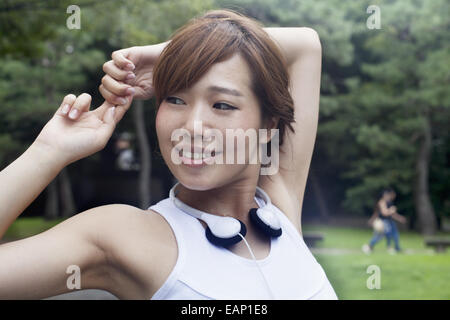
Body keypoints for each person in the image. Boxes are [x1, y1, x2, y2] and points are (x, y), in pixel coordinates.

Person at [0, 9, 336, 299]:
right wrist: (47, 153)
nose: (192, 125)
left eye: (222, 104)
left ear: (269, 123)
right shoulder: (126, 236)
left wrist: (168, 54)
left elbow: (306, 44)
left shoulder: (279, 208)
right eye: (175, 99)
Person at [363, 188, 407, 255]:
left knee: (393, 234)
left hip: (390, 221)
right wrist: (391, 210)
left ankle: (395, 247)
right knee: (381, 235)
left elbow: (392, 214)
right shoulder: (382, 202)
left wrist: (400, 218)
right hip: (383, 221)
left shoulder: (389, 203)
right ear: (384, 195)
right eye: (387, 195)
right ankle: (370, 246)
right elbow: (384, 213)